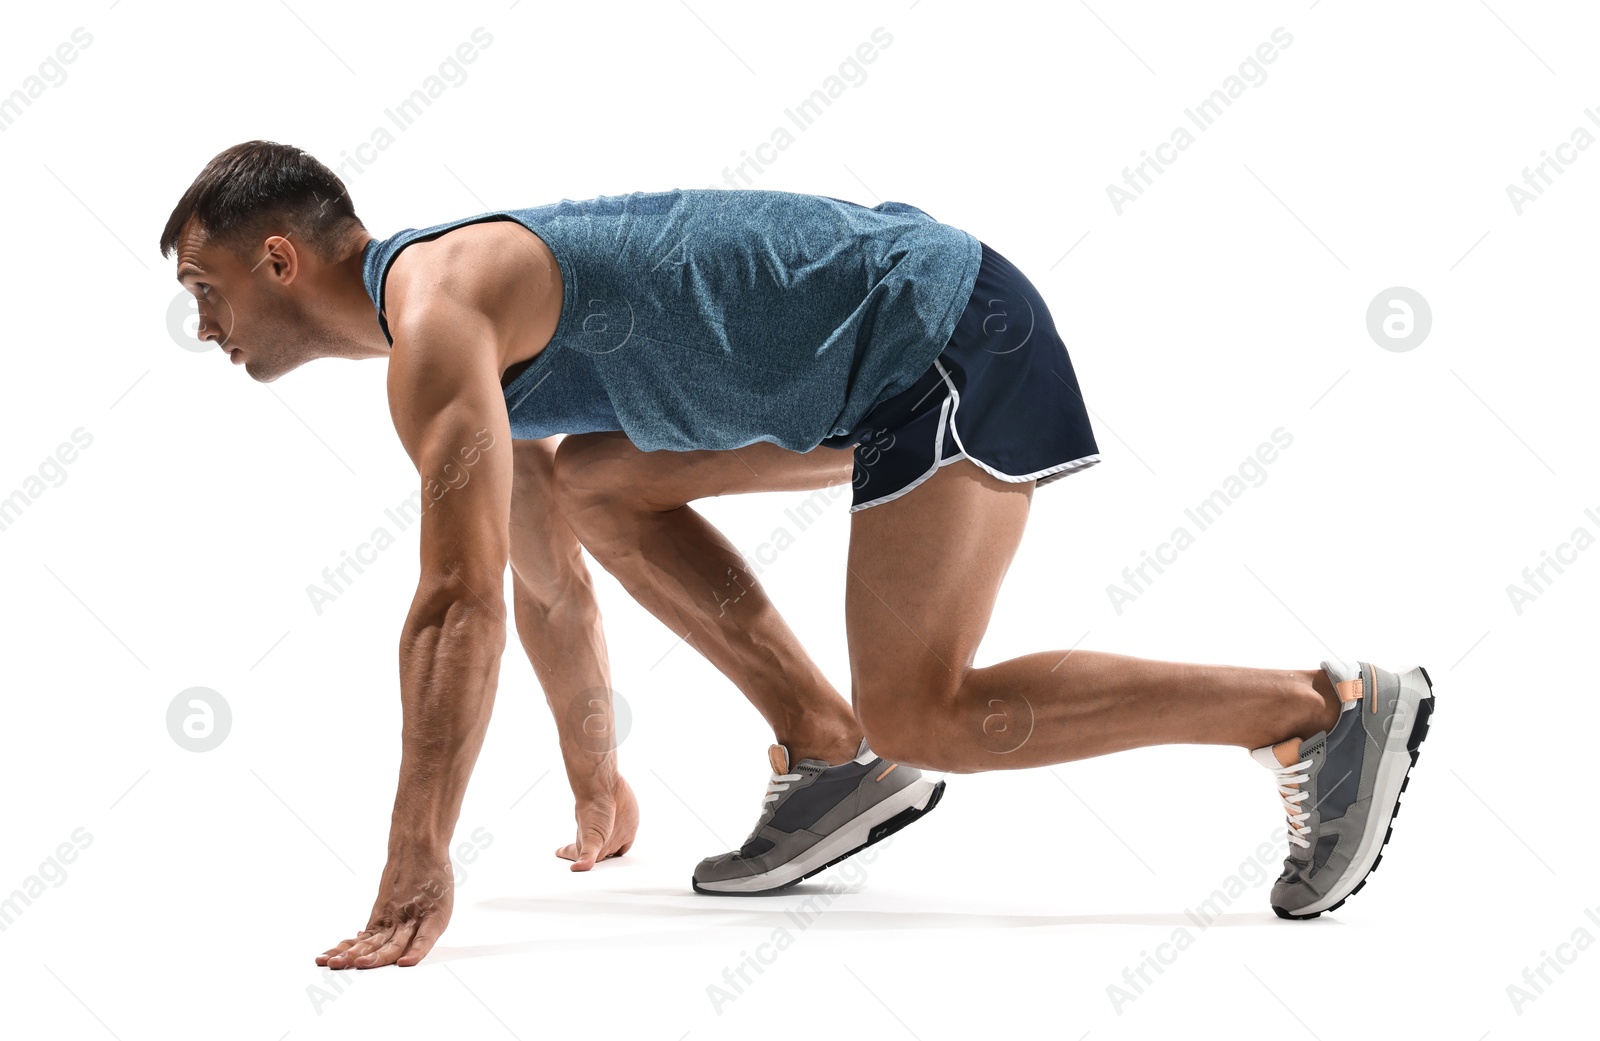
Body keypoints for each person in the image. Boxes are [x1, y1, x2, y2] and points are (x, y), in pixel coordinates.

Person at [161, 140, 1436, 970]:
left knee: (929, 709)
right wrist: (595, 778)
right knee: (594, 479)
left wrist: (415, 860)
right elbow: (539, 569)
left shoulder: (437, 318)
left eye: (206, 286)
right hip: (863, 365)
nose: (203, 323)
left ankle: (1318, 714)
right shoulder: (451, 331)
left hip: (942, 336)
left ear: (280, 257)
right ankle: (830, 760)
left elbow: (453, 607)